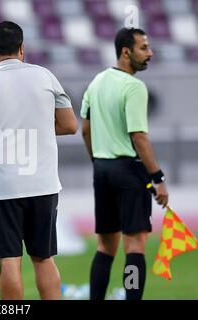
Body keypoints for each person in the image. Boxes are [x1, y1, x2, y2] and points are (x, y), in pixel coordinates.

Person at [0, 21, 77, 300]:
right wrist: (37, 127)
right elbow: (70, 125)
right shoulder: (45, 76)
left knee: (9, 260)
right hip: (43, 185)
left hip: (2, 188)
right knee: (43, 258)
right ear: (22, 48)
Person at [80, 28, 169, 300]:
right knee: (135, 245)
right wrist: (157, 177)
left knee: (105, 245)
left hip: (102, 170)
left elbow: (85, 128)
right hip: (129, 171)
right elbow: (138, 136)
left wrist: (97, 159)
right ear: (126, 51)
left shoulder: (97, 81)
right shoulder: (133, 87)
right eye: (144, 47)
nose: (150, 53)